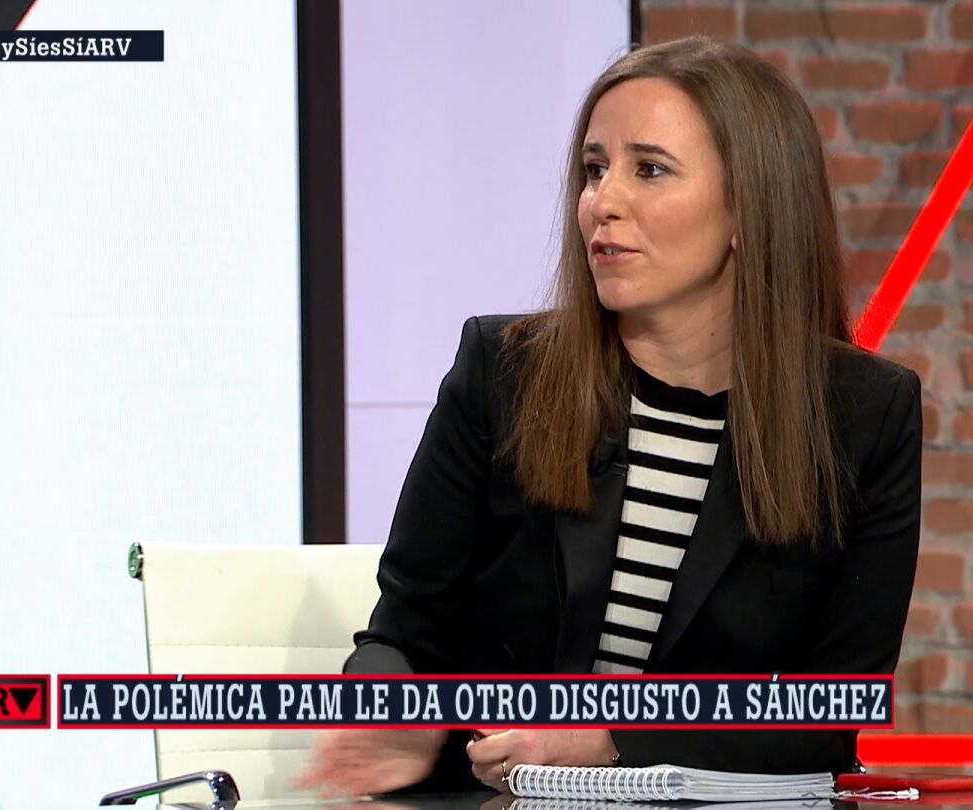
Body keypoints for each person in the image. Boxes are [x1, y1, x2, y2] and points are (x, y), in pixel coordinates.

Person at [297, 35, 922, 798]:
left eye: (648, 169)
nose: (603, 200)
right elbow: (402, 636)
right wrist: (394, 712)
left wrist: (607, 739)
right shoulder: (502, 374)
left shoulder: (862, 416)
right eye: (595, 169)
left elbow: (829, 713)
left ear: (747, 208)